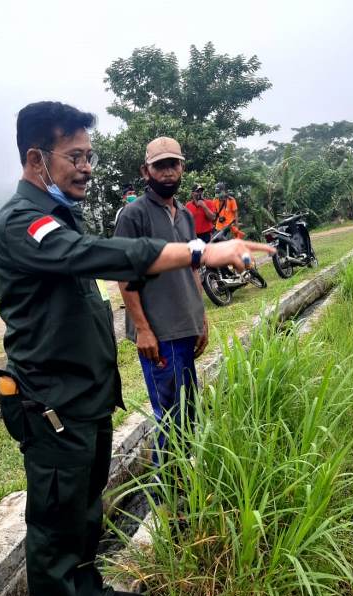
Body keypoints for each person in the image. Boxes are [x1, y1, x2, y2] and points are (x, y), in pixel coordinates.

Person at [0, 101, 273, 596]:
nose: (86, 167)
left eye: (89, 155)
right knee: (57, 522)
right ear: (37, 160)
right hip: (53, 402)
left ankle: (87, 588)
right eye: (75, 157)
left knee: (84, 511)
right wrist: (201, 251)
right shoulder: (23, 222)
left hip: (86, 396)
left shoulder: (60, 217)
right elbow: (98, 256)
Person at [115, 137, 208, 467]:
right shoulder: (133, 215)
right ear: (146, 171)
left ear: (182, 167)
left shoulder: (185, 215)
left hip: (185, 326)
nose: (168, 172)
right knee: (169, 416)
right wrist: (142, 329)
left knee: (188, 409)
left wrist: (201, 318)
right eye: (160, 165)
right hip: (158, 334)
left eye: (174, 164)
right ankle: (167, 501)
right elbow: (126, 278)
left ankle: (184, 485)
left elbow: (192, 268)